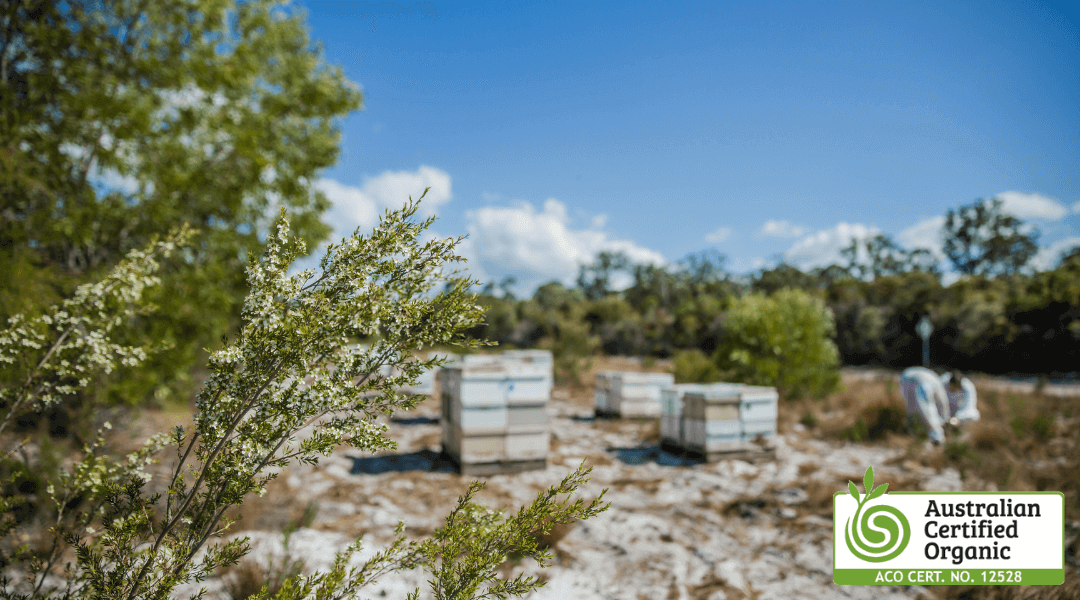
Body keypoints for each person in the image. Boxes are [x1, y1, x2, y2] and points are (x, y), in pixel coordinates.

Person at [899, 367, 978, 444]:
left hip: (910, 375)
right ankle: (936, 437)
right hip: (914, 378)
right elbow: (933, 405)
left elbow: (968, 407)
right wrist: (941, 425)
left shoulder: (967, 387)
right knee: (918, 408)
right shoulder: (942, 382)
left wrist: (954, 420)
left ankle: (929, 433)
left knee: (974, 415)